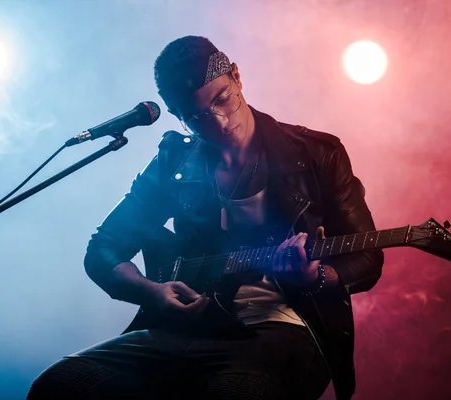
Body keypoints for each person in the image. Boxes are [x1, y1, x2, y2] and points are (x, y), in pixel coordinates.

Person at [27, 35, 384, 400]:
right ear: (179, 117)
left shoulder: (317, 153)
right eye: (197, 118)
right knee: (58, 386)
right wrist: (152, 293)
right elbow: (104, 249)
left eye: (223, 99)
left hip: (283, 325)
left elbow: (369, 258)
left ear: (237, 77)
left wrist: (317, 275)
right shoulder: (174, 161)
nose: (220, 122)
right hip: (184, 327)